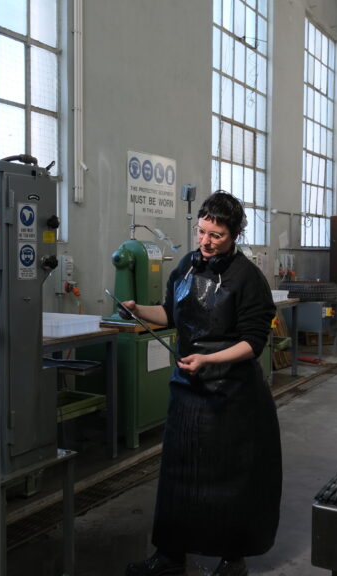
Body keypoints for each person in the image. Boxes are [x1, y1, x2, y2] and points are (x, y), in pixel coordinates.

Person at [120, 191, 281, 576]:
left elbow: (252, 341)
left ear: (235, 235)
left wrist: (209, 358)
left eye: (216, 236)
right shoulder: (187, 268)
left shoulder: (248, 278)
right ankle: (170, 555)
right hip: (188, 392)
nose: (206, 242)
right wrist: (138, 309)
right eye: (201, 231)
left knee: (230, 479)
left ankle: (232, 560)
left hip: (231, 394)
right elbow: (171, 314)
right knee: (179, 475)